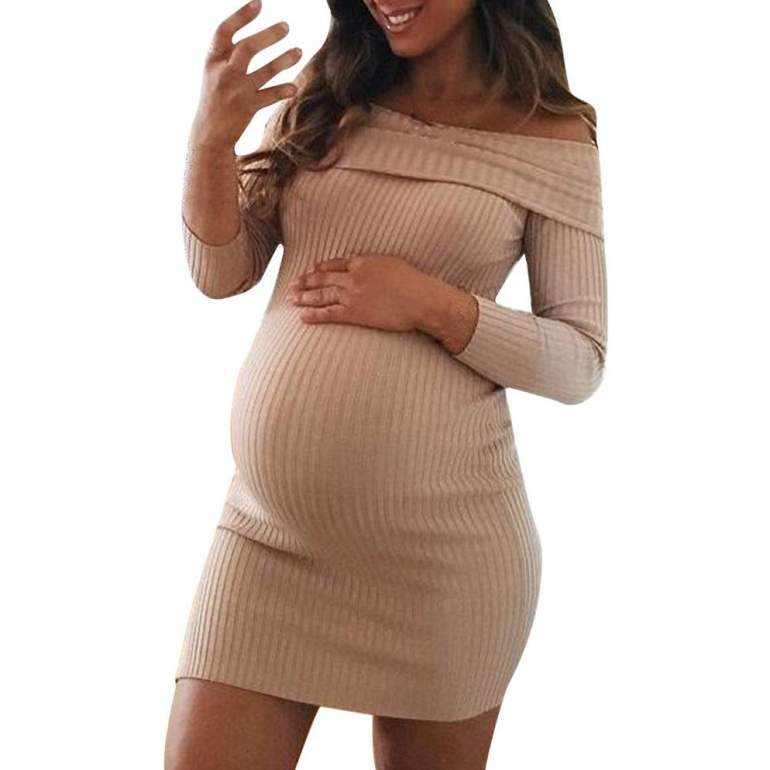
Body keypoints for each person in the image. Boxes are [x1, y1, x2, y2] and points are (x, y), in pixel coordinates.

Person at [165, 1, 607, 768]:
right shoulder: (327, 96)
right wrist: (210, 140)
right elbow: (222, 272)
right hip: (266, 536)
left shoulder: (551, 135)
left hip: (444, 563)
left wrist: (431, 304)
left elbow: (580, 359)